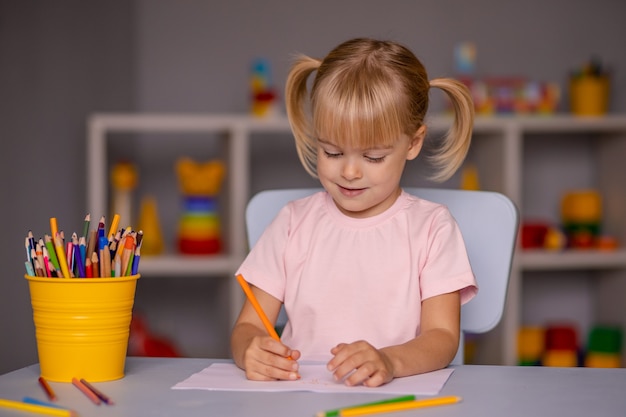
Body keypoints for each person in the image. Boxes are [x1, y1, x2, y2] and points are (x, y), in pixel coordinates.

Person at [231, 37, 477, 388]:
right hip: (301, 402)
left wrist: (390, 361)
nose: (349, 172)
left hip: (396, 401)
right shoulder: (292, 222)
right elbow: (248, 327)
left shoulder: (432, 227)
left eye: (373, 157)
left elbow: (442, 337)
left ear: (413, 143)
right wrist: (250, 351)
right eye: (331, 152)